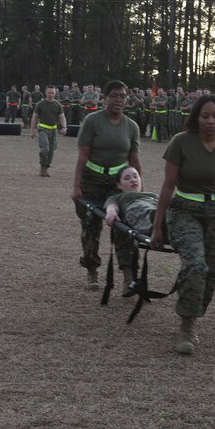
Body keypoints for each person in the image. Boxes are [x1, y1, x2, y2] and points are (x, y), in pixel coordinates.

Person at [150, 94, 215, 355]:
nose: (211, 121)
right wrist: (157, 227)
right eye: (205, 116)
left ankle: (194, 314)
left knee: (211, 272)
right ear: (196, 118)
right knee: (195, 265)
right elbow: (168, 186)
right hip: (183, 211)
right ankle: (187, 325)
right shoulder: (181, 143)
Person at [71, 80, 142, 293]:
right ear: (105, 98)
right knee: (91, 225)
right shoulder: (92, 121)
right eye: (114, 96)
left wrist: (140, 189)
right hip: (92, 180)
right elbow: (83, 155)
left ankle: (128, 274)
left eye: (122, 96)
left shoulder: (131, 126)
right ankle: (91, 270)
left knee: (124, 227)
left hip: (118, 183)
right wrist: (76, 186)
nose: (118, 100)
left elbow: (134, 159)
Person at [30, 85, 67, 177]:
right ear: (46, 93)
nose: (51, 94)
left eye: (52, 93)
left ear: (55, 93)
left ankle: (46, 168)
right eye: (49, 92)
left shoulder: (58, 105)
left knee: (51, 150)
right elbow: (34, 117)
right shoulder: (40, 104)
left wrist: (64, 127)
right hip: (42, 129)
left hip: (53, 130)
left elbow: (62, 117)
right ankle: (42, 166)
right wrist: (32, 131)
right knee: (45, 148)